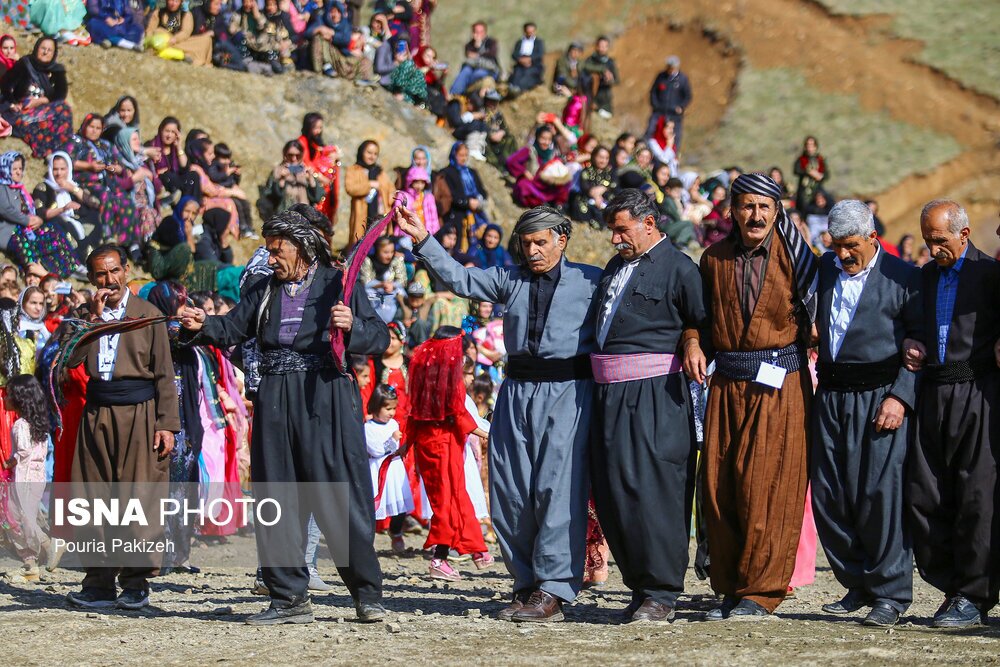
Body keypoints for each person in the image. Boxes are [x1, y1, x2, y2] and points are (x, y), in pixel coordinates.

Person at [178, 206, 389, 626]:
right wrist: (201, 324)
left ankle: (367, 594)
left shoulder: (339, 283)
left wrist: (353, 327)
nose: (270, 258)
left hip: (325, 393)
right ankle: (289, 597)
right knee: (277, 496)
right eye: (269, 250)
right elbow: (233, 329)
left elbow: (379, 335)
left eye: (277, 250)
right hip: (274, 395)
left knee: (335, 495)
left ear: (303, 247)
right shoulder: (263, 287)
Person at [398, 204, 601, 622]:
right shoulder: (510, 278)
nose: (534, 251)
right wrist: (422, 239)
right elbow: (460, 278)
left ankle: (554, 589)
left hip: (568, 393)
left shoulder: (591, 281)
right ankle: (525, 584)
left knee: (556, 491)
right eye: (527, 243)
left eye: (541, 242)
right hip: (516, 392)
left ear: (562, 240)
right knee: (509, 493)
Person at [682, 173, 819, 620]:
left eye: (764, 207)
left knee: (768, 485)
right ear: (732, 211)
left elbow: (821, 313)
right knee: (721, 485)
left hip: (780, 385)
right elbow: (698, 318)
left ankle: (762, 590)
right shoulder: (713, 259)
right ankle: (731, 582)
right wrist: (692, 341)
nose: (755, 215)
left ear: (777, 211)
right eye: (746, 206)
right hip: (727, 385)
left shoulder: (796, 257)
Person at [589, 189, 706, 622]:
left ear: (649, 223)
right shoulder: (614, 268)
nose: (616, 239)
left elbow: (702, 321)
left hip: (656, 395)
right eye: (612, 230)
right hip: (607, 395)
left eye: (622, 229)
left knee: (655, 490)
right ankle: (639, 585)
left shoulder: (680, 268)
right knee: (614, 490)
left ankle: (662, 591)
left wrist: (693, 339)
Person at [811, 200, 922, 628]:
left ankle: (889, 594)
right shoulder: (824, 269)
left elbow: (918, 343)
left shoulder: (903, 277)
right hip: (831, 396)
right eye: (836, 246)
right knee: (829, 493)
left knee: (880, 495)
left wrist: (900, 397)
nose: (843, 255)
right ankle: (856, 582)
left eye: (851, 246)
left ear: (873, 238)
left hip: (880, 399)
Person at [64, 245, 180, 610]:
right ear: (91, 278)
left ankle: (135, 583)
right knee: (92, 497)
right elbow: (70, 361)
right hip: (97, 414)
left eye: (114, 271)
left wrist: (167, 425)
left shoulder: (149, 316)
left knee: (139, 498)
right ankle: (97, 582)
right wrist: (94, 321)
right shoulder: (85, 316)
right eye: (100, 274)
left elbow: (164, 374)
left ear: (127, 271)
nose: (109, 280)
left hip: (140, 414)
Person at [905, 199, 1000, 628]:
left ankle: (975, 596)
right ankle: (952, 586)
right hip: (934, 392)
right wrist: (911, 341)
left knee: (977, 498)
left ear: (963, 234)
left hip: (979, 393)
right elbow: (913, 323)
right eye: (927, 241)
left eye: (939, 240)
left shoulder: (990, 274)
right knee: (925, 495)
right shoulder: (924, 276)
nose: (931, 249)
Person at [406, 328, 490, 581]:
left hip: (439, 444)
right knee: (446, 501)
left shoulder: (427, 373)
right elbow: (459, 414)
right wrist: (490, 436)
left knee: (456, 496)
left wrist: (408, 442)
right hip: (441, 445)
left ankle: (475, 548)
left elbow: (413, 413)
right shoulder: (445, 378)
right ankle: (440, 559)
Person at [0, 151, 84, 279]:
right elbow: (6, 210)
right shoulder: (2, 188)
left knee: (52, 231)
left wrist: (38, 220)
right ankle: (32, 273)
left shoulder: (20, 189)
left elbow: (31, 210)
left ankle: (70, 267)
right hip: (11, 233)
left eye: (20, 169)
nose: (18, 172)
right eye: (14, 169)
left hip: (28, 229)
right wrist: (28, 220)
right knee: (22, 241)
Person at [2, 373, 52, 580]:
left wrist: (9, 463)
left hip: (23, 479)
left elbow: (23, 452)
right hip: (37, 478)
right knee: (22, 516)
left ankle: (47, 546)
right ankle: (30, 562)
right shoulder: (38, 424)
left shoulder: (20, 425)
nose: (4, 399)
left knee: (17, 518)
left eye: (8, 395)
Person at [0, 37, 73, 158]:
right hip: (22, 108)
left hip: (44, 109)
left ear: (54, 53)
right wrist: (13, 103)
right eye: (43, 48)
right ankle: (45, 151)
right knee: (34, 123)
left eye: (49, 50)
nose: (45, 52)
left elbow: (60, 93)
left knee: (64, 110)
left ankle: (63, 152)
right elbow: (6, 85)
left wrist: (42, 100)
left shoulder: (57, 70)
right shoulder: (25, 64)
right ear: (36, 48)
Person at [365, 384, 413, 555]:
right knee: (373, 508)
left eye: (393, 408)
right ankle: (366, 542)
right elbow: (376, 450)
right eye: (388, 408)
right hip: (377, 471)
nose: (391, 413)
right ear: (377, 406)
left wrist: (399, 446)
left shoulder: (393, 423)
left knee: (399, 505)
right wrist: (392, 441)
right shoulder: (368, 427)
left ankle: (396, 531)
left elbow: (395, 447)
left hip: (394, 470)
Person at [32, 151, 102, 257]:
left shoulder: (74, 186)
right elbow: (40, 212)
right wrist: (63, 209)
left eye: (62, 169)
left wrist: (73, 189)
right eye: (55, 169)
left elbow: (95, 204)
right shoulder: (43, 187)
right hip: (58, 224)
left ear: (69, 169)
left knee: (95, 217)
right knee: (63, 223)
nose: (59, 173)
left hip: (78, 222)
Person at [436, 142, 489, 248]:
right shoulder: (446, 173)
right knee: (458, 245)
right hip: (455, 215)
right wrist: (467, 202)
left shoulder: (472, 172)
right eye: (461, 155)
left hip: (475, 214)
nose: (464, 158)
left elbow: (482, 191)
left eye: (466, 155)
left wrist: (478, 201)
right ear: (454, 154)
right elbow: (449, 195)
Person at [507, 125, 572, 209]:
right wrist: (524, 172)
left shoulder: (551, 154)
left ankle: (558, 204)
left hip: (546, 184)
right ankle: (539, 203)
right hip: (532, 182)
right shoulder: (529, 150)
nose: (546, 142)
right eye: (543, 138)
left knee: (565, 182)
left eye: (549, 139)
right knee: (523, 186)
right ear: (537, 137)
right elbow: (511, 161)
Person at [345, 140, 395, 247]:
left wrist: (390, 195)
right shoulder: (353, 170)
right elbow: (350, 188)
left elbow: (391, 189)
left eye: (375, 154)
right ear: (362, 152)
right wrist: (369, 185)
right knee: (359, 244)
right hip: (361, 214)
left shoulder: (380, 172)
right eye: (369, 152)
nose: (372, 156)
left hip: (379, 215)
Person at [258, 140, 325, 220]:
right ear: (285, 154)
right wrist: (281, 180)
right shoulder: (277, 171)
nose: (294, 159)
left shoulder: (306, 172)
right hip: (283, 218)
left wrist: (311, 178)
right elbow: (271, 197)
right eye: (290, 155)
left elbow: (317, 198)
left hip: (304, 219)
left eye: (298, 155)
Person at [297, 113, 340, 225]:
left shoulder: (315, 142)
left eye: (320, 128)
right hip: (310, 183)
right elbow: (307, 163)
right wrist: (320, 177)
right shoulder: (302, 141)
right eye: (315, 127)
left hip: (321, 182)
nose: (319, 131)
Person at [144, 0, 214, 66]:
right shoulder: (158, 12)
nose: (173, 4)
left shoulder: (186, 14)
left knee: (206, 40)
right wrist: (149, 40)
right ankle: (182, 55)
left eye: (176, 1)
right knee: (158, 32)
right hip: (163, 40)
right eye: (171, 0)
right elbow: (150, 29)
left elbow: (186, 32)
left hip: (179, 43)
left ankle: (182, 55)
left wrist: (175, 39)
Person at [646, 56, 691, 149]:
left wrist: (681, 107)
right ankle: (646, 151)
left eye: (672, 66)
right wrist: (655, 105)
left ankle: (673, 155)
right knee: (651, 131)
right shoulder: (661, 76)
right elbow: (653, 92)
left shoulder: (682, 79)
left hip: (674, 114)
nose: (670, 68)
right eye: (669, 66)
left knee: (675, 136)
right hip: (659, 111)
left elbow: (687, 96)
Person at [449, 21, 500, 96]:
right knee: (465, 70)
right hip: (472, 69)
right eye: (476, 31)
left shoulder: (491, 42)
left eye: (481, 31)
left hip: (489, 69)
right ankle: (454, 95)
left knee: (478, 73)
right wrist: (477, 46)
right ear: (473, 33)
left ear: (485, 32)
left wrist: (477, 53)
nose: (479, 34)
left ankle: (465, 89)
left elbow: (492, 54)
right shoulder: (469, 45)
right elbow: (469, 57)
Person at [580, 36, 618, 119]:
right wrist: (602, 71)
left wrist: (609, 79)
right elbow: (585, 67)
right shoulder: (590, 60)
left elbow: (616, 79)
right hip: (590, 95)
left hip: (604, 98)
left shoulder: (610, 62)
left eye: (604, 46)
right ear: (596, 46)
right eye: (600, 46)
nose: (602, 49)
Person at [508, 22, 544, 95]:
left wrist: (530, 59)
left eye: (531, 32)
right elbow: (514, 54)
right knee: (517, 74)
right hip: (520, 65)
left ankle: (521, 89)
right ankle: (514, 88)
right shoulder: (519, 42)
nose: (530, 34)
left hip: (533, 65)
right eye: (528, 32)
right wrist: (520, 60)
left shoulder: (539, 42)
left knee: (528, 75)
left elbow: (540, 54)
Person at [794, 136, 827, 213]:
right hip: (804, 191)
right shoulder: (802, 158)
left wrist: (820, 175)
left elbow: (826, 174)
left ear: (815, 146)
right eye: (808, 145)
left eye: (812, 145)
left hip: (816, 189)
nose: (810, 147)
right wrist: (809, 172)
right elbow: (796, 170)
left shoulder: (820, 159)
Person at [402, 166, 438, 236]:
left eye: (422, 183)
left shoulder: (429, 197)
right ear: (410, 182)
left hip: (425, 233)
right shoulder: (404, 196)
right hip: (408, 235)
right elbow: (397, 215)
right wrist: (410, 208)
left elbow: (434, 218)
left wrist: (435, 234)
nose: (419, 186)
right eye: (416, 182)